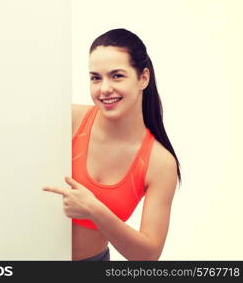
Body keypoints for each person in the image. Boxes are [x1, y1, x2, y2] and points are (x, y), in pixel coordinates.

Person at [43, 28, 181, 261]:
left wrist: (94, 210)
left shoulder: (159, 162)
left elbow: (148, 256)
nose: (104, 88)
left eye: (117, 75)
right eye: (96, 78)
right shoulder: (70, 120)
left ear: (143, 78)